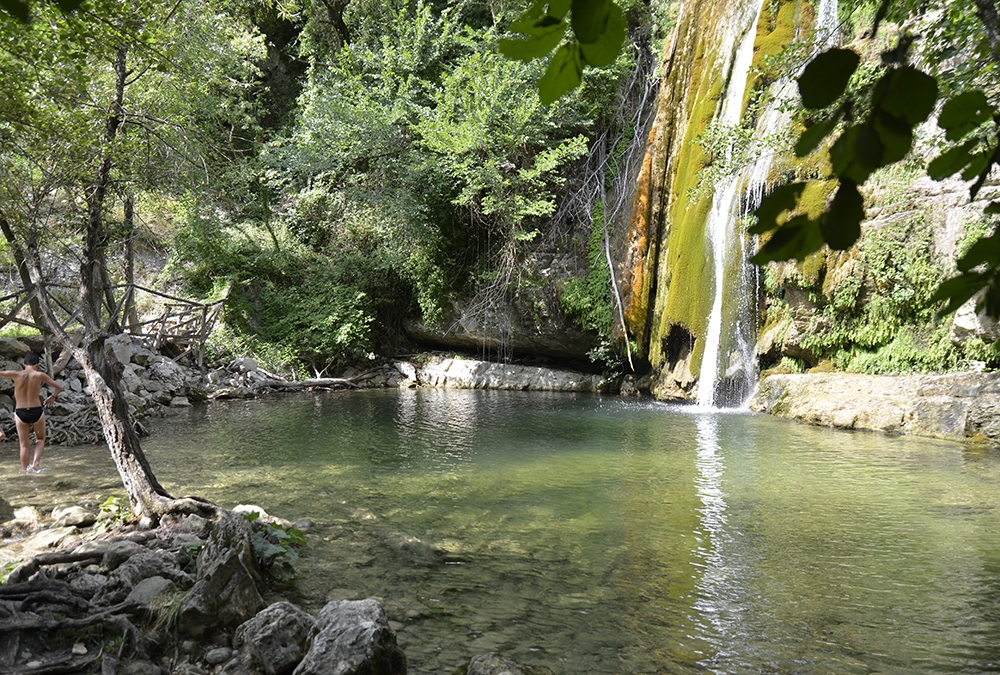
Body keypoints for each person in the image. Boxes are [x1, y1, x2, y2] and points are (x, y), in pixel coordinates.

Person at [0, 352, 62, 473]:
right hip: (36, 411)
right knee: (40, 439)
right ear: (37, 365)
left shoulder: (16, 374)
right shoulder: (40, 375)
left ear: (24, 364)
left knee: (24, 445)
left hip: (20, 412)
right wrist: (52, 397)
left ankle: (24, 471)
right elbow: (59, 387)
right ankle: (35, 464)